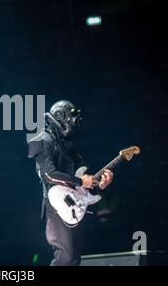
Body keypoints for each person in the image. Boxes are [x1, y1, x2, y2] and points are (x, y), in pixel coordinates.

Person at [27, 100, 113, 266]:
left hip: (74, 205)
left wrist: (100, 185)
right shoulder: (40, 139)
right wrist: (81, 180)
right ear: (60, 115)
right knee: (65, 256)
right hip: (56, 206)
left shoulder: (69, 147)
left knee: (74, 257)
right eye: (71, 119)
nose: (74, 124)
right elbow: (49, 175)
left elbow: (85, 180)